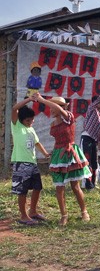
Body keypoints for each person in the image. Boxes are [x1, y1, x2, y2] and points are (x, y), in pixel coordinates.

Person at [35, 94, 91, 226]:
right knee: (59, 188)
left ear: (60, 108)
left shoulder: (68, 117)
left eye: (52, 107)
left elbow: (60, 111)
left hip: (70, 154)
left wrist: (43, 100)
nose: (50, 110)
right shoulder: (54, 123)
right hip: (58, 155)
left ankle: (84, 211)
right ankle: (63, 215)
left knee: (75, 186)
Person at [10, 96, 50, 225]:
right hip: (21, 162)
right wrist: (29, 100)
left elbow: (37, 143)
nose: (31, 122)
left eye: (32, 119)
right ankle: (23, 215)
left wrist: (45, 153)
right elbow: (14, 108)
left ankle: (33, 211)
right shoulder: (16, 126)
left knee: (38, 187)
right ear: (21, 120)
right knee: (23, 190)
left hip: (32, 163)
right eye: (28, 120)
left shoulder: (31, 130)